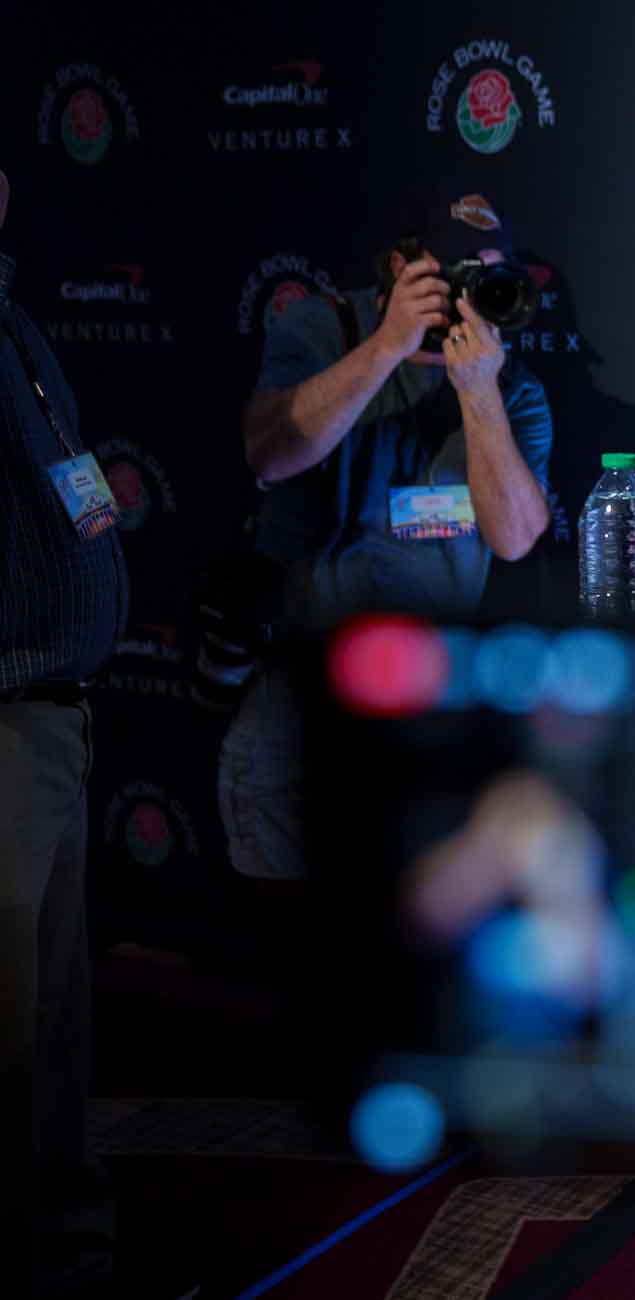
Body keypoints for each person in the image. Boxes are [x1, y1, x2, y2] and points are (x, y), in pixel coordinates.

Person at [220, 188, 554, 881]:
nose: (468, 296)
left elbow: (516, 537)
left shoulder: (507, 384)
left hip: (432, 698)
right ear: (403, 268)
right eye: (452, 275)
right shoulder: (326, 327)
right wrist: (388, 345)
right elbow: (271, 453)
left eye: (487, 276)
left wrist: (479, 394)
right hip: (309, 680)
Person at [0, 168, 125, 1298]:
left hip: (53, 719)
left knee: (54, 1020)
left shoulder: (17, 321)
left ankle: (70, 1266)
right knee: (16, 1027)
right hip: (7, 717)